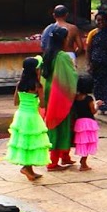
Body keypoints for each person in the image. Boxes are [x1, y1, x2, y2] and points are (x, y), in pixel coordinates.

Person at [40, 26, 78, 171]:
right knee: (61, 122)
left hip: (50, 91)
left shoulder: (48, 54)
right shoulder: (62, 56)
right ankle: (54, 160)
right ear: (63, 39)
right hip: (60, 92)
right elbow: (71, 76)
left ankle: (63, 156)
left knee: (53, 120)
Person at [5, 56, 50, 181]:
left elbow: (15, 102)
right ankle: (25, 168)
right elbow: (42, 104)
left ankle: (29, 170)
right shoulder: (38, 86)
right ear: (36, 70)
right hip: (32, 116)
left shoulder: (19, 84)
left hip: (21, 115)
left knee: (25, 142)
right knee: (32, 142)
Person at [70, 74, 100, 171]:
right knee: (88, 142)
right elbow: (93, 111)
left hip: (79, 122)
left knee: (82, 142)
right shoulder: (89, 98)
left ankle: (83, 161)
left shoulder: (75, 97)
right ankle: (83, 162)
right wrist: (97, 105)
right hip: (88, 123)